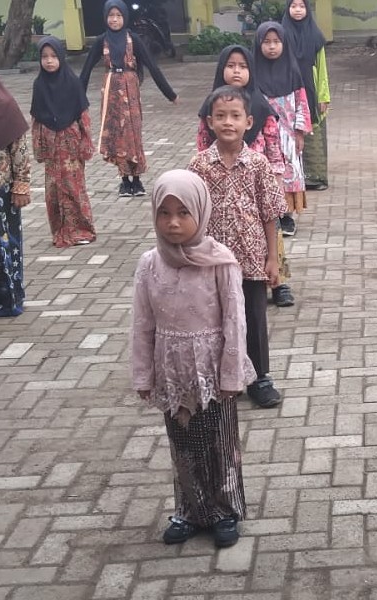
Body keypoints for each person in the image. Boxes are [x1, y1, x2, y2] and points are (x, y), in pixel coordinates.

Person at [132, 169, 254, 548]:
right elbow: (142, 323)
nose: (173, 223)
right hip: (173, 373)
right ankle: (189, 509)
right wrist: (144, 375)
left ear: (200, 212)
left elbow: (235, 321)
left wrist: (232, 374)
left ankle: (224, 511)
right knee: (182, 443)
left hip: (212, 372)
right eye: (164, 213)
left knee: (219, 443)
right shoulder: (150, 264)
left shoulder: (220, 262)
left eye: (183, 213)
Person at [188, 86, 287, 409]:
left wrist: (272, 259)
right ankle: (221, 377)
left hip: (252, 259)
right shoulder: (199, 165)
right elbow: (190, 214)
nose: (228, 122)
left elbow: (270, 213)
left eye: (235, 116)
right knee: (215, 319)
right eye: (220, 116)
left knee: (254, 319)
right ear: (210, 122)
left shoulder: (258, 164)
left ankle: (260, 378)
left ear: (249, 122)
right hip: (212, 261)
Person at [196, 44, 294, 308]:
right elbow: (202, 143)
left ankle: (279, 282)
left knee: (270, 228)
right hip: (220, 182)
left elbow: (273, 147)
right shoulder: (210, 106)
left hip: (257, 182)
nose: (236, 71)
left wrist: (276, 179)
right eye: (230, 66)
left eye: (243, 66)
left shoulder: (261, 106)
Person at [79, 0, 178, 198]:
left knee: (133, 134)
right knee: (118, 136)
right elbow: (86, 69)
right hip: (111, 92)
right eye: (111, 16)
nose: (114, 20)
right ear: (105, 18)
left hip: (131, 90)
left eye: (118, 16)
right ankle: (124, 180)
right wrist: (77, 100)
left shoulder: (133, 39)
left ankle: (137, 180)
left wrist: (170, 94)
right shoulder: (101, 41)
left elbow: (152, 65)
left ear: (124, 17)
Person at [31, 36, 96, 248]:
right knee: (53, 191)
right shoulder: (39, 85)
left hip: (71, 144)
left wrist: (86, 142)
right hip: (51, 146)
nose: (49, 61)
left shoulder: (72, 83)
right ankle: (60, 230)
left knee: (74, 187)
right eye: (44, 57)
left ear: (61, 57)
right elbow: (36, 118)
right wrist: (38, 147)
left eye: (53, 56)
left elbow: (83, 115)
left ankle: (82, 230)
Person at [254, 21, 312, 238]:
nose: (272, 46)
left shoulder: (293, 71)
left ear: (284, 44)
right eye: (266, 42)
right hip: (261, 138)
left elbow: (301, 102)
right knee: (265, 174)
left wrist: (300, 132)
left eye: (276, 42)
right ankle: (267, 216)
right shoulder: (253, 73)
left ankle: (286, 216)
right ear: (258, 44)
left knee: (289, 173)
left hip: (288, 136)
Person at [282, 0, 331, 191]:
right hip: (289, 89)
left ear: (308, 9)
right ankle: (295, 176)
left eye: (302, 6)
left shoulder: (315, 36)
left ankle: (316, 177)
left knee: (313, 130)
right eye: (293, 6)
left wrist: (323, 96)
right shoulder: (281, 35)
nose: (297, 10)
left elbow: (322, 68)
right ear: (288, 9)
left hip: (311, 88)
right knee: (291, 131)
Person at [0, 76, 30, 318]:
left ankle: (8, 299)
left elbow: (19, 148)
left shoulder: (5, 106)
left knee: (4, 248)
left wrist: (21, 185)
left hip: (1, 191)